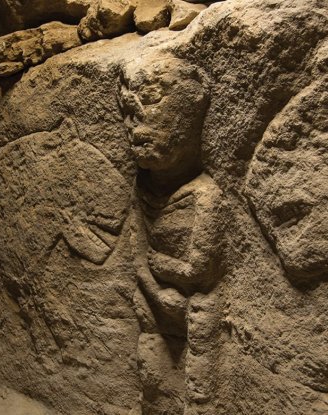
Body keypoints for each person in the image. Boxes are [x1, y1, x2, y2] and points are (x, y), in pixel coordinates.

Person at [121, 51, 226, 415]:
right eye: (128, 112)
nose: (135, 125)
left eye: (150, 104)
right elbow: (135, 251)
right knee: (151, 376)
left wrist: (161, 268)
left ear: (188, 116)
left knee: (198, 390)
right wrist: (154, 289)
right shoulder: (142, 188)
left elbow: (199, 270)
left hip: (197, 307)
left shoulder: (204, 195)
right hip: (152, 299)